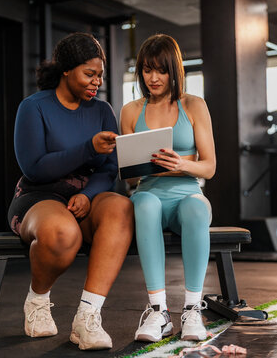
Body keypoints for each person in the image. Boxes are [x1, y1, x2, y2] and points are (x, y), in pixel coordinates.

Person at [7, 32, 134, 350]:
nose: (96, 82)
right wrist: (88, 147)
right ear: (66, 69)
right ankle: (37, 300)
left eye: (100, 75)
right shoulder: (33, 107)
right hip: (39, 196)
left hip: (84, 196)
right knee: (64, 235)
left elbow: (108, 169)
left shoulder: (103, 111)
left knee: (122, 207)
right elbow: (35, 167)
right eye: (89, 74)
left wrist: (89, 196)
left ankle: (87, 317)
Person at [120, 34, 216, 343]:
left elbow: (210, 167)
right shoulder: (131, 111)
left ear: (173, 70)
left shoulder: (194, 105)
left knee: (197, 207)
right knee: (143, 203)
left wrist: (182, 165)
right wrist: (131, 165)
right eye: (147, 70)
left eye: (160, 70)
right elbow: (130, 180)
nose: (153, 78)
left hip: (186, 191)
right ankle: (159, 311)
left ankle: (191, 310)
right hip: (149, 193)